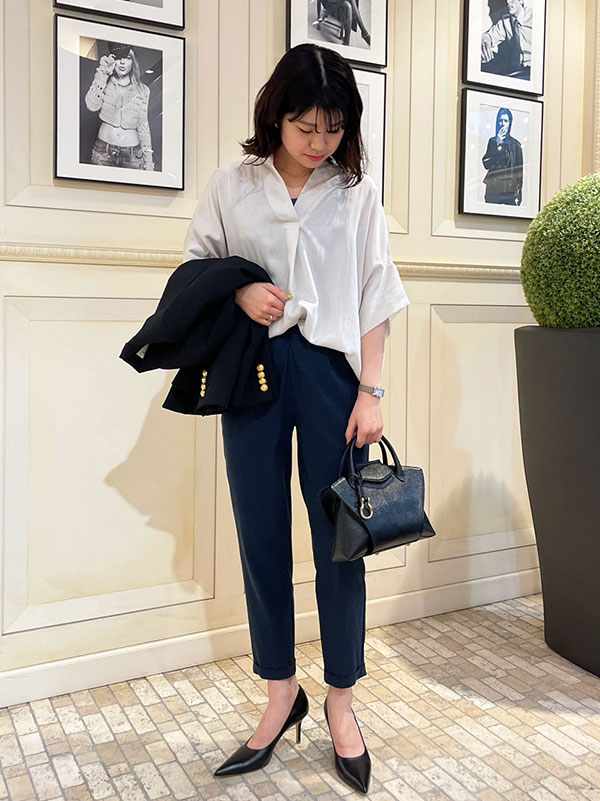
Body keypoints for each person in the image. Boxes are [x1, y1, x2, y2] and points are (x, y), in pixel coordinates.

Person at [183, 43, 410, 792]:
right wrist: (241, 291)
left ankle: (341, 698)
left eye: (334, 128)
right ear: (275, 116)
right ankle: (282, 693)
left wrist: (371, 391)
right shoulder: (233, 184)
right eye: (306, 126)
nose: (320, 142)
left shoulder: (356, 192)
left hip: (329, 375)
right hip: (250, 369)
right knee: (259, 532)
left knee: (339, 540)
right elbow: (196, 266)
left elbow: (377, 291)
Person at [84, 42, 154, 171]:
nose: (122, 62)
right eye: (118, 58)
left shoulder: (143, 90)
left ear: (133, 62)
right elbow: (91, 106)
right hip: (103, 152)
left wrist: (148, 162)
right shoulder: (104, 81)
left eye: (127, 58)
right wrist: (102, 74)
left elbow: (143, 126)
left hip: (133, 156)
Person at [481, 0, 533, 78]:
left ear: (521, 1)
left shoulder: (534, 17)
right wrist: (485, 42)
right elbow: (489, 36)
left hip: (533, 72)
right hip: (515, 73)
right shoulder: (505, 20)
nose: (508, 2)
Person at [482, 107, 523, 205]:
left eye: (505, 121)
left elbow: (519, 172)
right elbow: (486, 163)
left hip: (510, 190)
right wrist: (498, 144)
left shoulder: (516, 145)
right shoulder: (492, 141)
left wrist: (519, 194)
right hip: (493, 189)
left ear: (510, 123)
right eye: (500, 121)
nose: (503, 124)